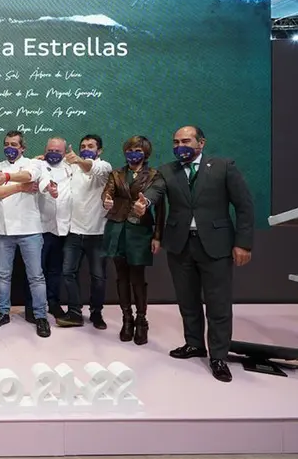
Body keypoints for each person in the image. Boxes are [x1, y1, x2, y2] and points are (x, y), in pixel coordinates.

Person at [138, 126, 253, 383]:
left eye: (186, 141)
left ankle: (219, 356)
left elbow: (244, 206)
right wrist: (144, 201)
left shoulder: (223, 167)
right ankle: (194, 344)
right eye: (176, 141)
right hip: (180, 245)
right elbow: (156, 190)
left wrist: (243, 243)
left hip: (216, 245)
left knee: (218, 303)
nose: (180, 145)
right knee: (187, 300)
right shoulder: (168, 170)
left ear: (201, 143)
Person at [0, 131, 58, 338]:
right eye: (7, 144)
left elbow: (29, 177)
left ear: (22, 148)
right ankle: (2, 312)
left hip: (29, 230)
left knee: (36, 276)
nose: (10, 148)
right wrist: (19, 187)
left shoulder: (33, 163)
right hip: (3, 230)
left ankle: (40, 317)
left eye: (14, 144)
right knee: (3, 275)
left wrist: (8, 179)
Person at [101, 135, 165, 346]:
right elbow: (107, 193)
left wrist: (157, 236)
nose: (132, 153)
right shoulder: (117, 174)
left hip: (140, 231)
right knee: (121, 276)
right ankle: (126, 318)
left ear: (145, 153)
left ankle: (141, 320)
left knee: (137, 276)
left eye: (137, 150)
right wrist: (107, 200)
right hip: (117, 228)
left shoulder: (155, 175)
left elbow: (160, 206)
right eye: (129, 149)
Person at [57, 134, 113, 329]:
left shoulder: (104, 167)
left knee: (98, 277)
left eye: (91, 146)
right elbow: (53, 165)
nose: (86, 148)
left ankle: (96, 313)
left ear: (100, 150)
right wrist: (40, 159)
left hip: (97, 234)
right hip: (73, 232)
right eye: (83, 146)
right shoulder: (71, 167)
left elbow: (89, 166)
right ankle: (74, 312)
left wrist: (79, 160)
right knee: (68, 273)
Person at [37, 137, 72, 320]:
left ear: (64, 153)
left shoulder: (70, 168)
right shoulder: (38, 165)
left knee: (55, 270)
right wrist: (48, 188)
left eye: (58, 151)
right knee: (38, 270)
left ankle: (54, 303)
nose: (54, 153)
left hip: (63, 228)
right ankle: (37, 306)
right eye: (50, 150)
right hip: (41, 227)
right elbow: (42, 181)